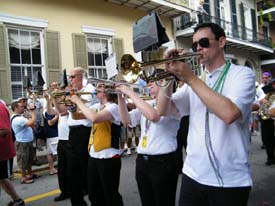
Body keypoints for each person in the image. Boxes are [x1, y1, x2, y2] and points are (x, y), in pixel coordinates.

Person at [158, 22, 255, 206]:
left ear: (221, 42)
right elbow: (163, 109)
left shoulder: (242, 74)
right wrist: (167, 74)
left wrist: (190, 77)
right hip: (192, 175)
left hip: (229, 181)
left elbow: (229, 113)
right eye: (195, 45)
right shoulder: (197, 81)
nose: (198, 48)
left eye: (203, 42)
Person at [116, 73, 185, 206]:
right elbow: (126, 121)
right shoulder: (147, 103)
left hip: (162, 162)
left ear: (164, 84)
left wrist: (130, 92)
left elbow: (155, 117)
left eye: (153, 81)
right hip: (143, 160)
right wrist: (120, 97)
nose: (148, 84)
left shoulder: (171, 104)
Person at [70, 82, 123, 206]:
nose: (95, 89)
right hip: (94, 155)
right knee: (94, 194)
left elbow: (95, 118)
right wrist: (72, 107)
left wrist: (78, 101)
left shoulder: (113, 107)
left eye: (99, 87)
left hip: (109, 156)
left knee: (111, 194)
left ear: (107, 91)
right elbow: (77, 117)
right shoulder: (97, 106)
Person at [54, 67, 95, 206]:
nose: (70, 80)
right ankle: (78, 202)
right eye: (69, 77)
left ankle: (95, 199)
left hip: (85, 131)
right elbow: (63, 111)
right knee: (72, 173)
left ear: (81, 76)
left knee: (87, 171)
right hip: (73, 133)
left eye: (72, 77)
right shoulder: (74, 92)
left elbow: (83, 109)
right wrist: (55, 98)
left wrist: (74, 97)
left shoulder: (90, 89)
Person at [44, 89, 71, 201]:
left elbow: (62, 111)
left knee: (73, 168)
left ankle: (80, 188)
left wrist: (55, 98)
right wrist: (48, 99)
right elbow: (50, 112)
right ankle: (65, 191)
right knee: (62, 168)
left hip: (70, 140)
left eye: (59, 95)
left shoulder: (69, 104)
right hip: (61, 140)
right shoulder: (58, 105)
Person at [0, 100, 25, 206]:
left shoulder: (0, 108)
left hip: (1, 152)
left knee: (2, 178)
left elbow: (5, 130)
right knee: (2, 178)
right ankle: (17, 200)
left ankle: (17, 200)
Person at [11, 100, 37, 184]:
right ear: (15, 108)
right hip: (22, 143)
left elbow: (33, 124)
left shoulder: (21, 116)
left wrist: (29, 117)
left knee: (29, 159)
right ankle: (23, 177)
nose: (23, 108)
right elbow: (31, 123)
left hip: (27, 141)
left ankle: (30, 174)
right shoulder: (17, 119)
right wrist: (33, 112)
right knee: (23, 161)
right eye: (21, 107)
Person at [258, 71, 273, 150]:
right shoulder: (260, 87)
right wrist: (261, 100)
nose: (264, 79)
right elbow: (257, 98)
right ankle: (265, 143)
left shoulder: (272, 86)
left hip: (272, 110)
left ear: (270, 78)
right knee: (264, 129)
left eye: (266, 78)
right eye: (263, 78)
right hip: (263, 109)